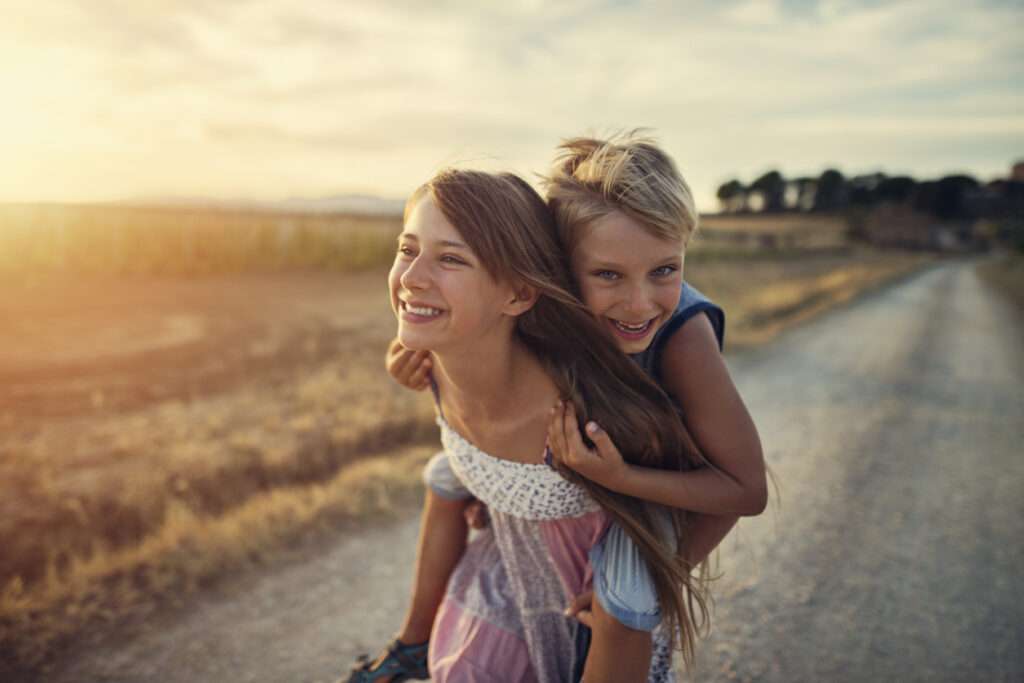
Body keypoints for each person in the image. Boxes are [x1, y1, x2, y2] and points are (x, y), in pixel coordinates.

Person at [349, 134, 767, 681]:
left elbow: (743, 488)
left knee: (625, 596)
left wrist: (657, 549)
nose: (639, 303)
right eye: (608, 275)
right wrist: (413, 356)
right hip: (568, 465)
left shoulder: (682, 336)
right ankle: (413, 644)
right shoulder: (544, 312)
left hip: (657, 481)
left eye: (666, 270)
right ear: (558, 273)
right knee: (446, 473)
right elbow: (479, 357)